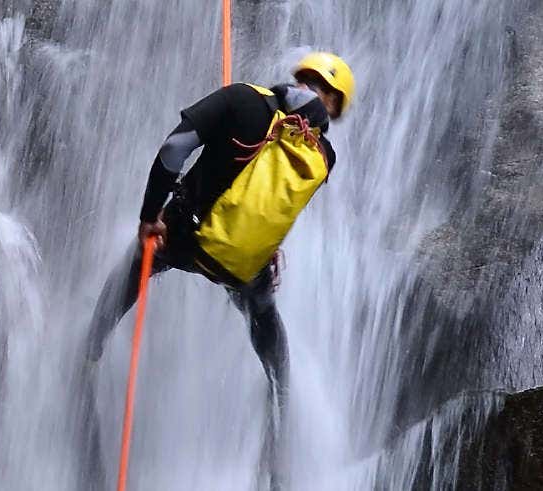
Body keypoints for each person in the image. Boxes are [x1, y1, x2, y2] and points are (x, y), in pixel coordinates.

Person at [81, 52, 355, 485]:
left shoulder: (242, 99)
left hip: (185, 236)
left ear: (298, 77)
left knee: (137, 266)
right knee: (264, 314)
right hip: (243, 262)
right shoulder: (323, 155)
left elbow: (174, 149)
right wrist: (267, 247)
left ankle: (89, 351)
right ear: (336, 106)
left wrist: (150, 215)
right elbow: (276, 203)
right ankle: (280, 398)